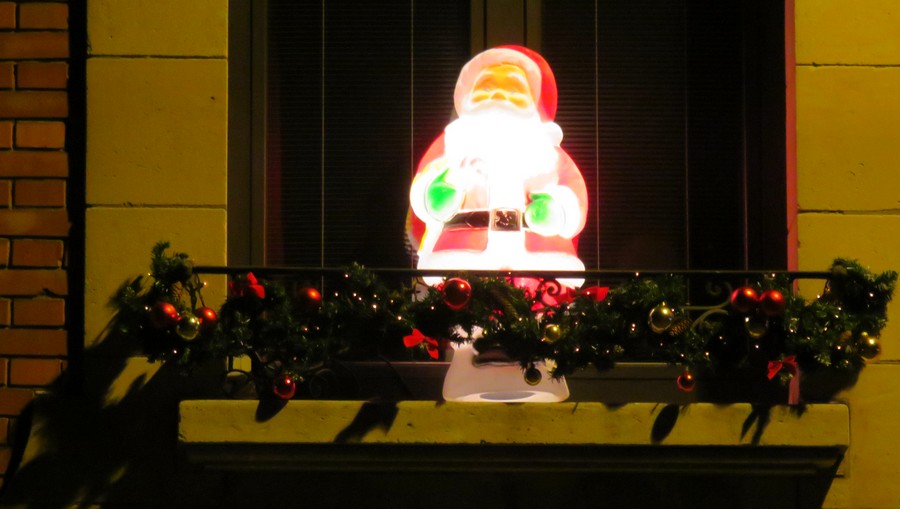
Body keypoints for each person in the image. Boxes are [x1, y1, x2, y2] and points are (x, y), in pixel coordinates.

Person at [408, 45, 588, 287]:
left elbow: (574, 193)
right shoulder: (452, 144)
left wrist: (557, 211)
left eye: (514, 90)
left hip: (539, 260)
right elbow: (425, 190)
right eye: (486, 87)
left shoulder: (549, 153)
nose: (499, 94)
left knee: (539, 307)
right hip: (463, 257)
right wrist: (446, 189)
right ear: (468, 96)